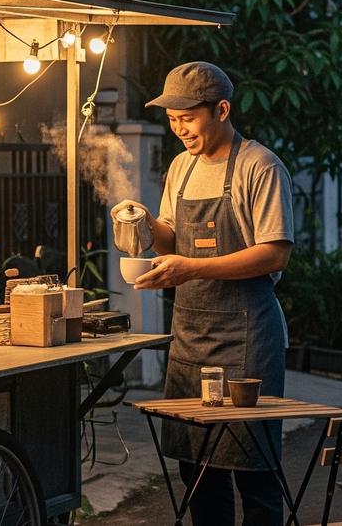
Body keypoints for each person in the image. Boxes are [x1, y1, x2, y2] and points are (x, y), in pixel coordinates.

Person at [111, 61, 293, 525]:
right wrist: (143, 221)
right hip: (191, 336)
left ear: (222, 110)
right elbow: (171, 238)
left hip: (247, 337)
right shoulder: (182, 166)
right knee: (197, 467)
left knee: (252, 465)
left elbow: (275, 254)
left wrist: (191, 267)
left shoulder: (260, 166)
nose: (179, 129)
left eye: (188, 118)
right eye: (172, 119)